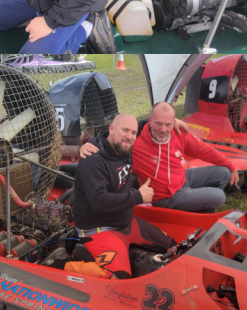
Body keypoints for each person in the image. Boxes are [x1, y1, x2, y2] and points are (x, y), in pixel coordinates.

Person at [70, 114, 176, 279]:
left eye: (133, 132)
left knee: (173, 247)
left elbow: (145, 124)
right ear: (111, 129)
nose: (129, 136)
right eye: (125, 130)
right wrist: (138, 197)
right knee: (119, 278)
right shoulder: (93, 159)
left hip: (125, 222)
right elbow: (98, 201)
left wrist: (171, 121)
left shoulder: (124, 145)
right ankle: (61, 265)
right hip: (98, 230)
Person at [81, 102, 240, 212]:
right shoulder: (135, 142)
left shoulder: (179, 133)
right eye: (158, 124)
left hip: (183, 179)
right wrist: (88, 144)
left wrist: (231, 166)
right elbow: (110, 141)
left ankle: (199, 204)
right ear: (149, 121)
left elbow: (204, 150)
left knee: (224, 172)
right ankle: (197, 206)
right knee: (219, 196)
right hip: (166, 197)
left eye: (168, 124)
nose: (163, 129)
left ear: (174, 122)